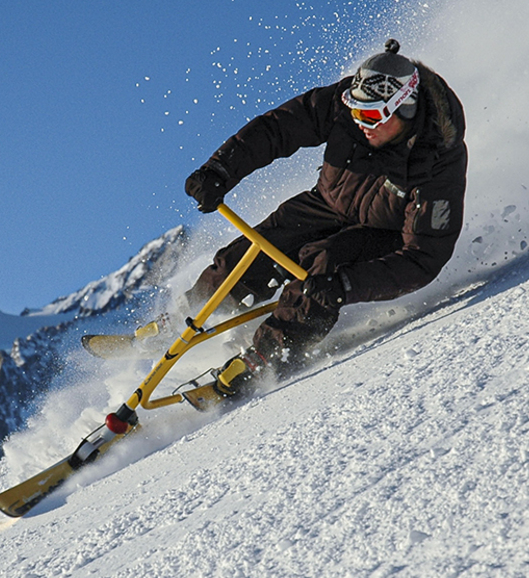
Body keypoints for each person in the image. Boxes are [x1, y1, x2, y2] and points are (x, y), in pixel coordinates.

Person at [182, 38, 467, 398]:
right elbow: (279, 128)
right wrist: (221, 169)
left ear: (405, 108)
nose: (362, 123)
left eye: (373, 116)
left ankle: (270, 355)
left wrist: (345, 286)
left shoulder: (437, 159)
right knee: (256, 249)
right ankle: (188, 314)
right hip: (328, 202)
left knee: (324, 266)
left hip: (384, 232)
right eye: (357, 112)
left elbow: (425, 256)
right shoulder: (345, 105)